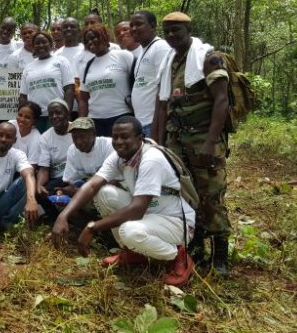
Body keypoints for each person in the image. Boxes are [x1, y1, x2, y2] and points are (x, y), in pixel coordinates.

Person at [51, 116, 196, 286]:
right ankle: (134, 252)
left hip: (174, 221)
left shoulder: (151, 159)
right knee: (103, 193)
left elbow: (137, 209)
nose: (119, 142)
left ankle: (178, 256)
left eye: (125, 136)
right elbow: (92, 186)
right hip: (150, 215)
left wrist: (92, 227)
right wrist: (64, 216)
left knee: (128, 231)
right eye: (115, 136)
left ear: (139, 138)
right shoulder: (120, 157)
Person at [152, 11, 231, 276]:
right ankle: (196, 244)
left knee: (211, 195)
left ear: (188, 30)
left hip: (203, 139)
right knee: (185, 193)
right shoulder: (169, 62)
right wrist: (159, 143)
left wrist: (210, 141)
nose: (172, 35)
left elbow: (221, 101)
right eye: (167, 32)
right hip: (178, 140)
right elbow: (163, 106)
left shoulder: (208, 58)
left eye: (176, 30)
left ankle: (221, 254)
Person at [79, 23, 134, 136]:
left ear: (104, 36)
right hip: (96, 120)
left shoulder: (123, 56)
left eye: (93, 37)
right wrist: (82, 123)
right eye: (87, 41)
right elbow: (83, 99)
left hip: (122, 116)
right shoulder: (87, 66)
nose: (90, 42)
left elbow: (136, 83)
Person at [18, 32, 75, 131]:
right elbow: (23, 96)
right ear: (33, 46)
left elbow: (69, 89)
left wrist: (66, 113)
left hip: (56, 115)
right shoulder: (28, 68)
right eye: (37, 43)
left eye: (44, 42)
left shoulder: (61, 61)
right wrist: (24, 116)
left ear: (51, 44)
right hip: (35, 117)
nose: (41, 45)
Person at [129, 11, 171, 138]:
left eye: (139, 24)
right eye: (131, 25)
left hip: (153, 123)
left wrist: (156, 129)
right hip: (141, 123)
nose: (134, 28)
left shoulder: (160, 48)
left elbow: (163, 90)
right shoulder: (143, 50)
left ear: (152, 26)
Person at [36, 99, 72, 217]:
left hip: (77, 176)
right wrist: (39, 185)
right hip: (58, 179)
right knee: (41, 192)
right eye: (51, 114)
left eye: (58, 113)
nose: (54, 116)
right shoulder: (45, 138)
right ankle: (55, 219)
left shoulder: (77, 131)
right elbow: (44, 168)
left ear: (67, 114)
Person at [60, 117, 114, 197]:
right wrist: (63, 191)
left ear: (93, 133)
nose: (78, 142)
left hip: (109, 187)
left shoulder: (108, 145)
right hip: (87, 185)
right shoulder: (72, 150)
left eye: (82, 136)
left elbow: (113, 180)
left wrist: (80, 192)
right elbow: (70, 180)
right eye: (75, 138)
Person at [53, 17, 86, 115]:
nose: (68, 29)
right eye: (65, 27)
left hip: (87, 106)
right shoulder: (56, 55)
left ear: (79, 31)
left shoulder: (87, 50)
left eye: (72, 26)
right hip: (64, 107)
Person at [8, 101, 42, 166]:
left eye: (27, 117)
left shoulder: (37, 139)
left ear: (34, 120)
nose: (22, 119)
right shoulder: (11, 125)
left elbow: (31, 166)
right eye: (20, 115)